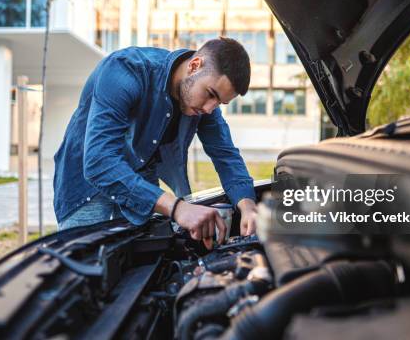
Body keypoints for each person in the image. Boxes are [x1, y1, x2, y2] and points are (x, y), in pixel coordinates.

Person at [53, 37, 258, 248]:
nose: (209, 109)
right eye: (210, 94)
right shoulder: (125, 70)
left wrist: (248, 206)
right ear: (195, 66)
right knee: (86, 271)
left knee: (139, 270)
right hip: (88, 189)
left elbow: (225, 154)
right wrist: (178, 208)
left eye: (219, 103)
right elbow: (99, 162)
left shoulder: (204, 104)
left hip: (141, 186)